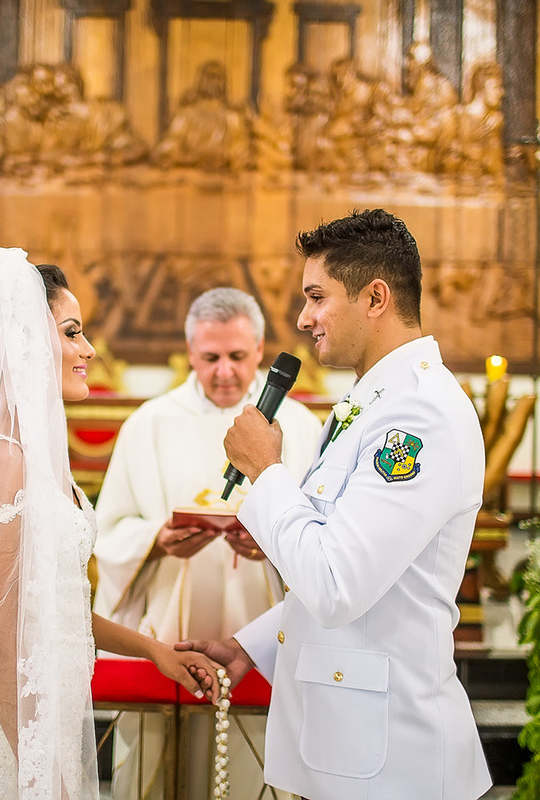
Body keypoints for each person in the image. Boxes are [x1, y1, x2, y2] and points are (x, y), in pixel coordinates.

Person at [0, 248, 220, 799]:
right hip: (5, 726)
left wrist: (153, 650)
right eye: (73, 333)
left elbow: (55, 604)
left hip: (45, 711)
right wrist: (38, 774)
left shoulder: (35, 452)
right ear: (22, 339)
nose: (88, 350)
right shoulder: (0, 460)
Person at [179, 210, 493, 799]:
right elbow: (360, 570)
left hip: (394, 761)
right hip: (352, 746)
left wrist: (266, 471)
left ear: (375, 297)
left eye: (317, 297)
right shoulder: (370, 400)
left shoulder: (419, 416)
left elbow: (335, 581)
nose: (304, 318)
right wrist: (250, 645)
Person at [93, 287, 321, 798]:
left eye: (237, 357)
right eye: (210, 357)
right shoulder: (149, 424)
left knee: (253, 773)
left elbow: (323, 538)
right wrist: (156, 539)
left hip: (261, 638)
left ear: (260, 350)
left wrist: (273, 545)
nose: (223, 372)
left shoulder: (301, 428)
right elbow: (108, 533)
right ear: (189, 351)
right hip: (171, 633)